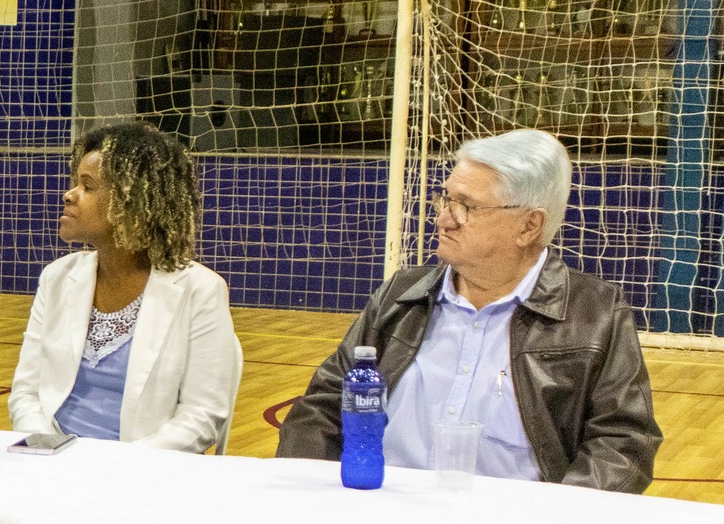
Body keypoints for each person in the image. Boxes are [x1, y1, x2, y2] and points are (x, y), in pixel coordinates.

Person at [279, 129, 660, 491]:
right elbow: (323, 407)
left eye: (467, 207)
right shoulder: (401, 294)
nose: (444, 218)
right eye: (447, 199)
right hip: (381, 514)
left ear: (529, 226)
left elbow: (624, 442)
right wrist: (311, 497)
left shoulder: (594, 314)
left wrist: (555, 521)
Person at [8, 122, 241, 449]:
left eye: (87, 186)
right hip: (52, 464)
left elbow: (201, 417)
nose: (69, 194)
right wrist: (47, 448)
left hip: (142, 476)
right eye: (75, 183)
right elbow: (27, 393)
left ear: (133, 203)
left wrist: (121, 469)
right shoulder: (56, 277)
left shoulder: (201, 290)